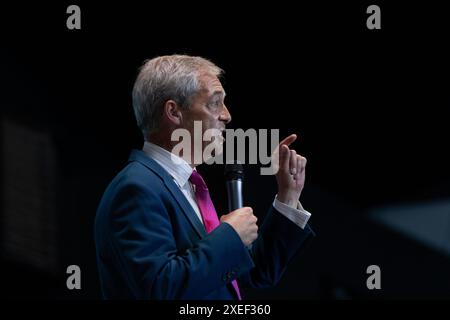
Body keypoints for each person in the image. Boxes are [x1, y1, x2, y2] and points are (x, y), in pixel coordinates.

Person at [95, 55, 315, 299]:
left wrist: (288, 197)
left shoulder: (187, 185)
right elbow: (159, 288)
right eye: (215, 103)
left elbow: (252, 275)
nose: (227, 115)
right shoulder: (137, 188)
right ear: (174, 112)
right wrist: (230, 235)